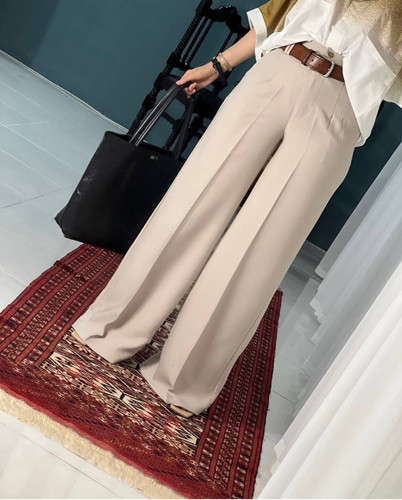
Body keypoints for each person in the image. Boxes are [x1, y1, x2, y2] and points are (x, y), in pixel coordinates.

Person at [70, 0, 401, 418]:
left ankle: (184, 380)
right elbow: (281, 12)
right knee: (192, 205)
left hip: (342, 102)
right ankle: (112, 327)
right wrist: (220, 64)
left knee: (260, 250)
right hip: (278, 69)